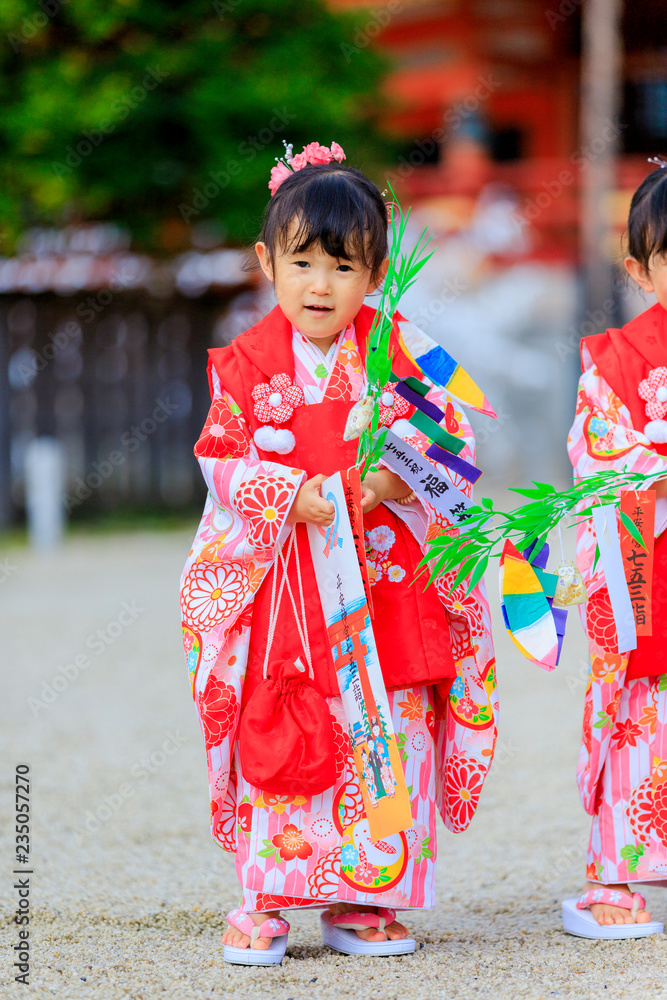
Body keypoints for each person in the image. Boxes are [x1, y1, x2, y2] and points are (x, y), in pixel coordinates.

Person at [179, 140, 498, 964]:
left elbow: (455, 449)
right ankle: (266, 896)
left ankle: (365, 898)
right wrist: (293, 496)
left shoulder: (405, 355)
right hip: (291, 589)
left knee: (389, 723)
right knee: (288, 724)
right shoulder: (245, 366)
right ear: (266, 261)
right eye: (303, 262)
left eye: (345, 267)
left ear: (377, 272)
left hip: (385, 583)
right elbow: (221, 455)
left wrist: (396, 483)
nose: (321, 286)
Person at [564, 162, 667, 938]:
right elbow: (597, 454)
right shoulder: (615, 362)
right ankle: (619, 875)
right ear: (638, 270)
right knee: (638, 718)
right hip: (648, 568)